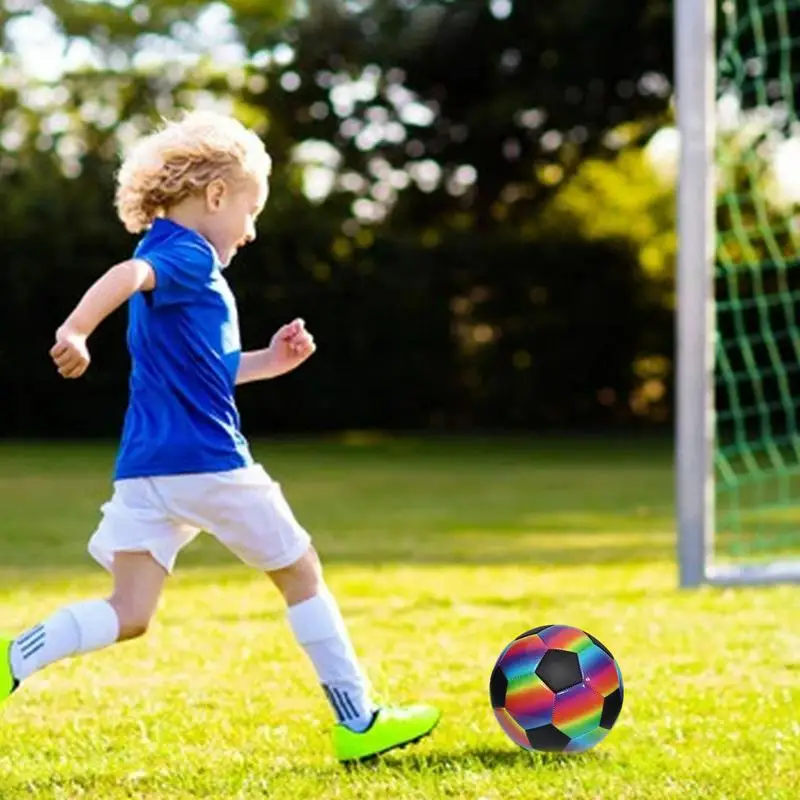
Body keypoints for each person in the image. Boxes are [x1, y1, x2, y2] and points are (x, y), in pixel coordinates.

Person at [0, 110, 439, 763]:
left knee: (130, 612)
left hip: (145, 472)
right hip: (209, 463)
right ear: (214, 195)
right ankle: (359, 720)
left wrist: (270, 360)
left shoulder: (171, 256)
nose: (253, 229)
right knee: (301, 572)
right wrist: (75, 329)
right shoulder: (184, 254)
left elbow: (210, 371)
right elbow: (125, 277)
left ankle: (14, 657)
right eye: (251, 210)